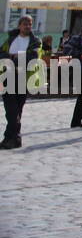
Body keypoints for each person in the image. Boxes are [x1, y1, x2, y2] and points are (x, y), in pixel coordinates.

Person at [2, 15, 38, 149]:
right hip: (8, 76)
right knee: (11, 110)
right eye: (25, 24)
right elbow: (1, 54)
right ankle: (13, 138)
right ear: (19, 26)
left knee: (17, 110)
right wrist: (12, 57)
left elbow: (32, 58)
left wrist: (16, 57)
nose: (27, 26)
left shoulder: (35, 41)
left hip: (24, 78)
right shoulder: (11, 39)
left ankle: (11, 138)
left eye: (29, 24)